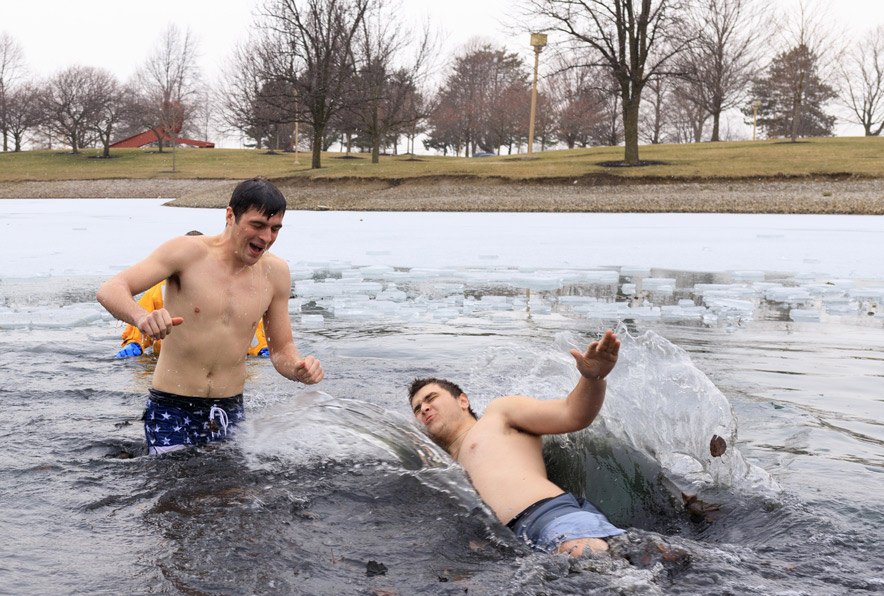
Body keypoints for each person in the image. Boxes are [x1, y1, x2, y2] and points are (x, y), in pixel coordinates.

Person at [97, 177, 323, 455]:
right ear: (230, 215)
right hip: (172, 407)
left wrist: (298, 368)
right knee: (173, 493)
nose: (266, 238)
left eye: (275, 229)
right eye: (257, 225)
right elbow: (111, 289)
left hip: (228, 409)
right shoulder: (187, 252)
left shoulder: (275, 274)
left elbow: (281, 349)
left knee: (230, 496)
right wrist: (141, 317)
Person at [408, 329, 624, 557]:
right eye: (417, 408)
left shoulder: (498, 414)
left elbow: (572, 414)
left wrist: (593, 378)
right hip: (509, 547)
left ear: (462, 400)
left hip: (547, 515)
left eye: (431, 398)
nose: (424, 408)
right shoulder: (440, 464)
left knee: (589, 560)